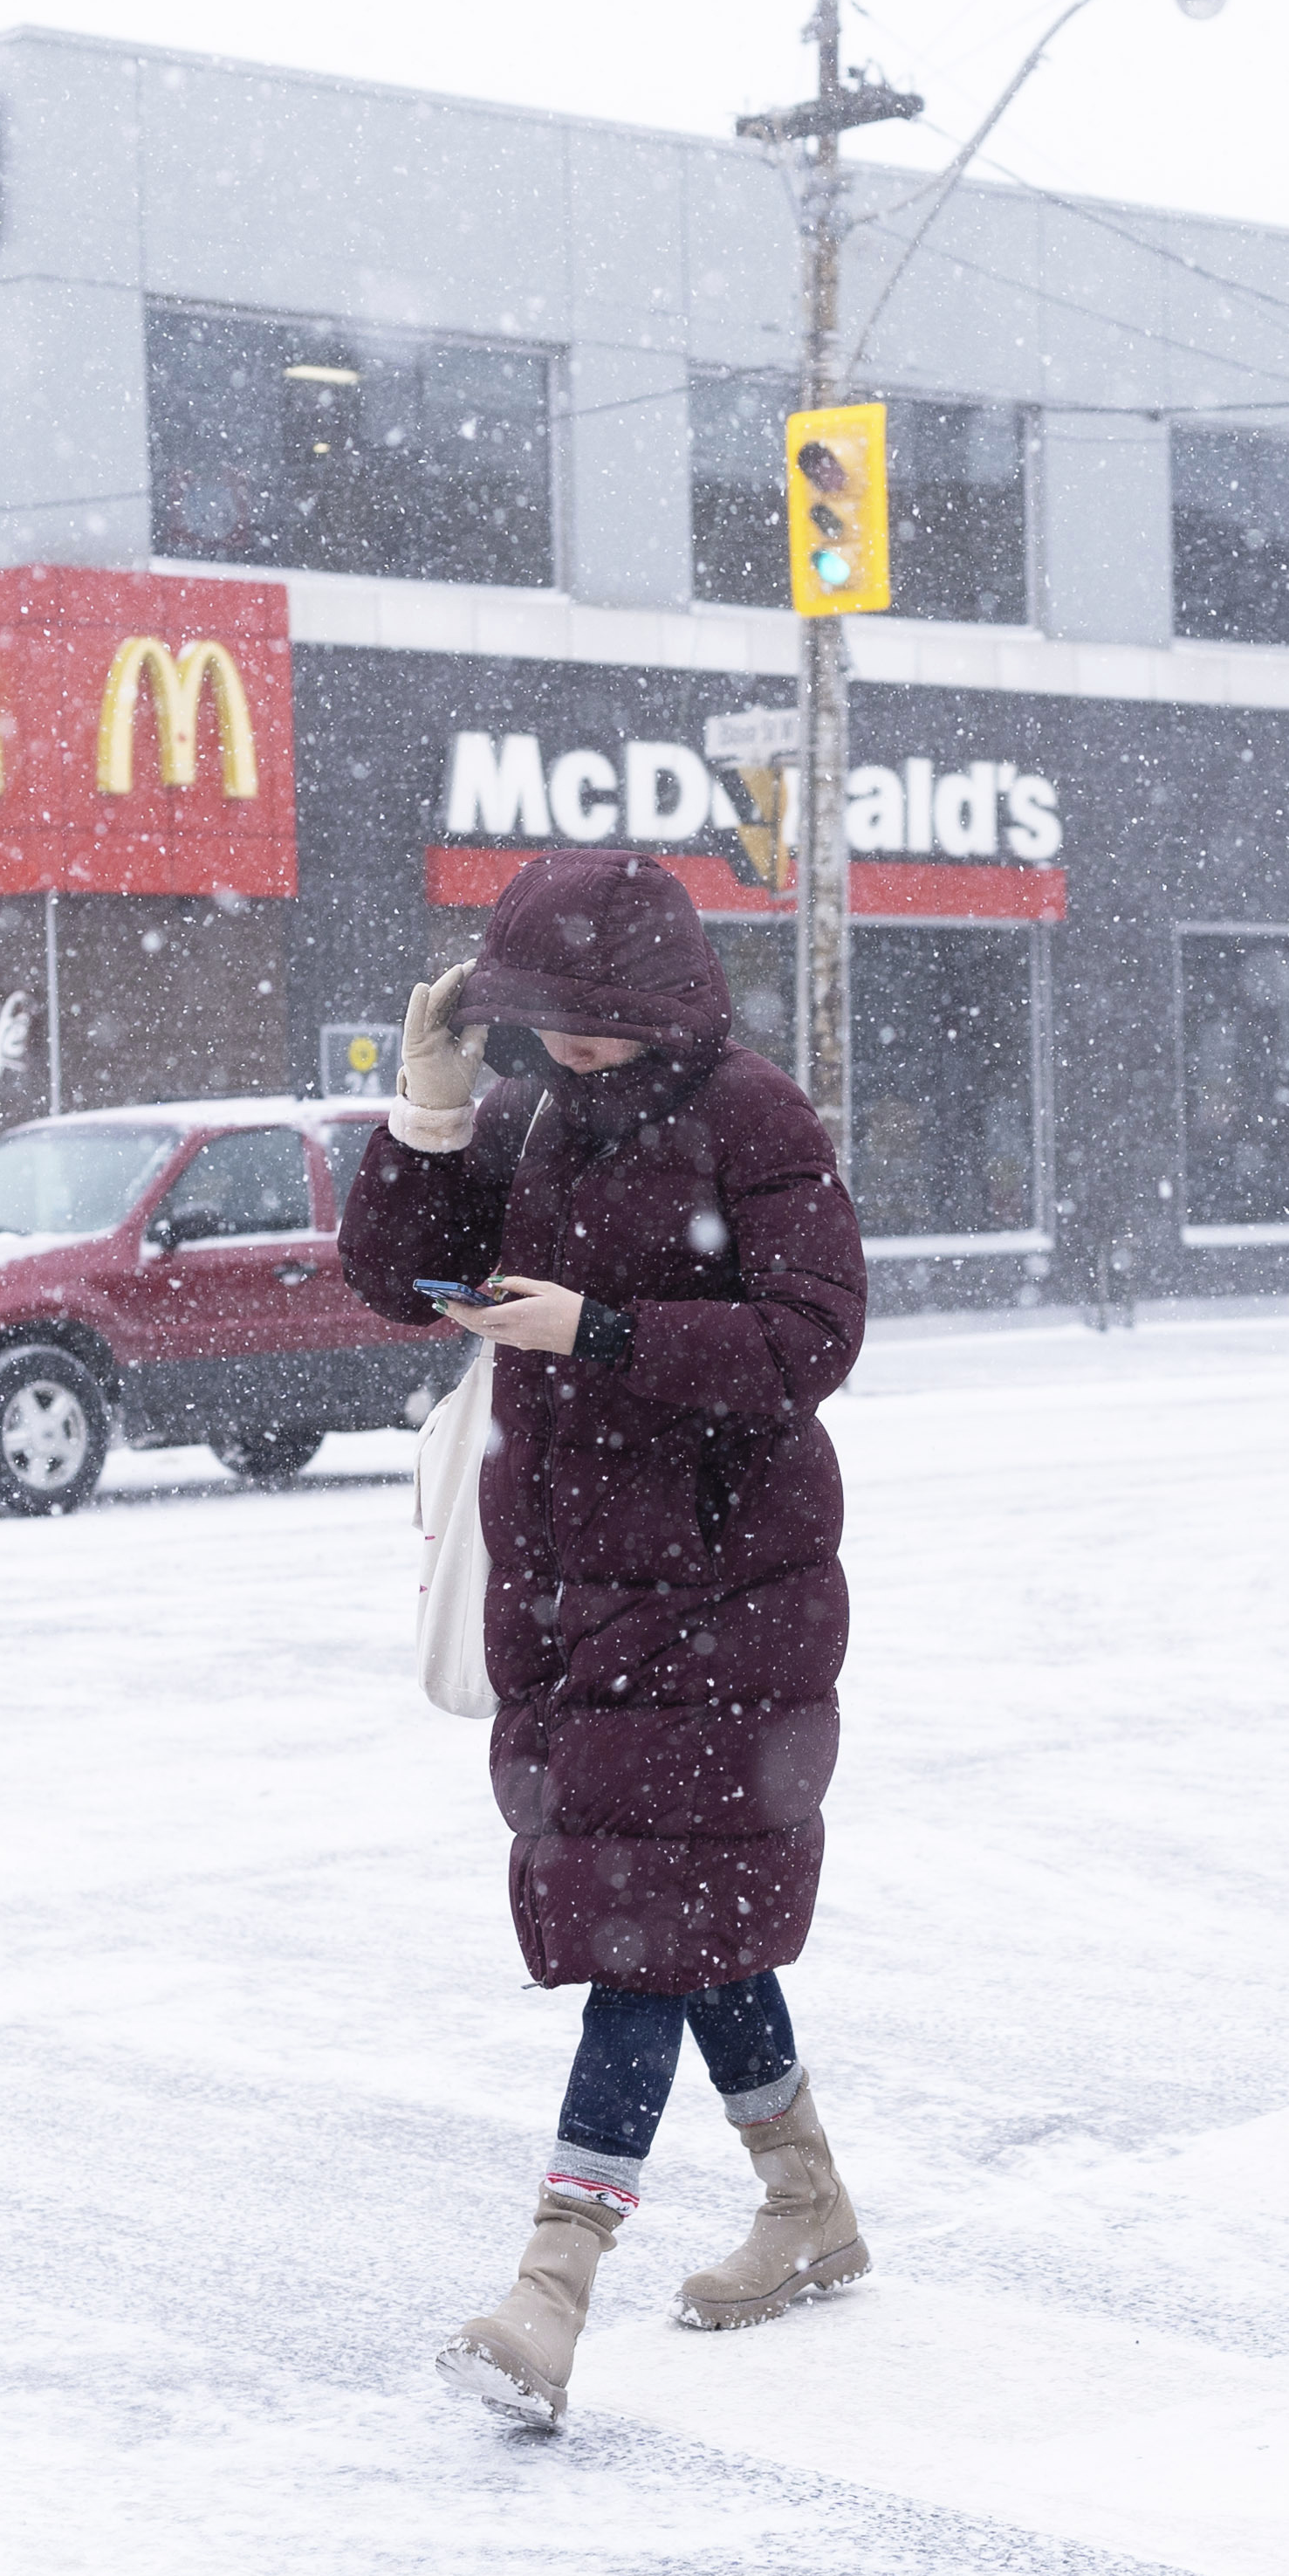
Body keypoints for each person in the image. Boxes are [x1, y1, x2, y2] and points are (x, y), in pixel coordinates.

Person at [337, 849, 875, 2427]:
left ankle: (548, 2290)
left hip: (728, 1586)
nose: (558, 1045)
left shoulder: (750, 1116)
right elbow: (387, 1279)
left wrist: (608, 1330)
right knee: (680, 1907)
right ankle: (807, 2204)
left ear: (652, 1001)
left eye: (584, 1020)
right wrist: (426, 1113)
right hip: (566, 1585)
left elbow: (812, 1333)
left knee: (642, 1928)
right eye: (532, 1019)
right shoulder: (524, 1116)